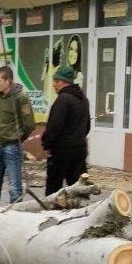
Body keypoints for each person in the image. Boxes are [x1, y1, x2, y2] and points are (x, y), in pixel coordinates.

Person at [0, 65, 36, 206]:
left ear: (8, 81)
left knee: (15, 187)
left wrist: (18, 138)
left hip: (12, 147)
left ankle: (16, 213)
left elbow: (30, 125)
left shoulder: (21, 98)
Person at [41, 64, 91, 195]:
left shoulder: (63, 99)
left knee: (53, 190)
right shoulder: (83, 99)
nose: (54, 84)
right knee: (78, 189)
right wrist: (78, 137)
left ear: (65, 82)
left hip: (61, 152)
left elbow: (54, 127)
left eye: (57, 81)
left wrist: (47, 144)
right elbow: (87, 126)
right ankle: (82, 213)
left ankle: (52, 214)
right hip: (80, 150)